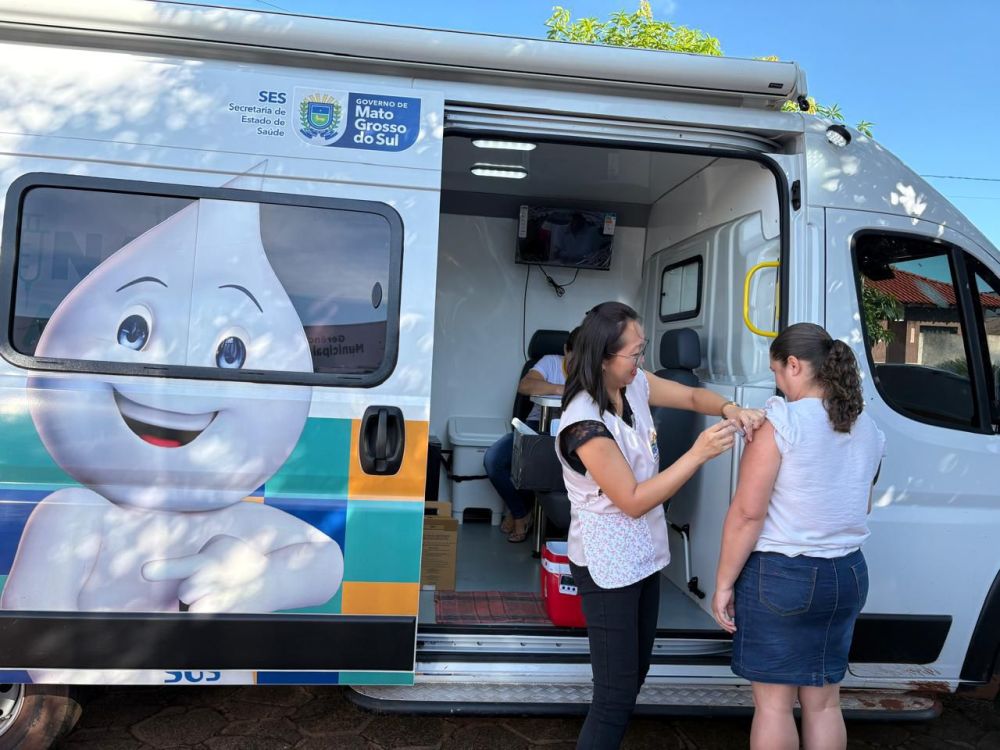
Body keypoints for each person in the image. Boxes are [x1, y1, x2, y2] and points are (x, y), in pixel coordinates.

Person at [555, 301, 764, 749]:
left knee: (634, 676)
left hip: (643, 555)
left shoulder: (631, 386)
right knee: (613, 696)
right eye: (635, 354)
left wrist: (731, 409)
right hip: (606, 564)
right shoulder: (583, 425)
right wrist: (698, 453)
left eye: (642, 351)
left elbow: (690, 397)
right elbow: (631, 500)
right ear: (604, 358)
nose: (641, 362)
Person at [711, 323, 885, 750]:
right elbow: (860, 506)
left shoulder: (782, 422)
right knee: (825, 702)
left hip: (783, 578)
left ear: (794, 365)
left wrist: (723, 584)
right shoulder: (867, 428)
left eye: (776, 371)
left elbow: (747, 514)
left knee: (773, 705)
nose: (776, 383)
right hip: (847, 575)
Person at [484, 327, 579, 543]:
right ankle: (521, 513)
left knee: (543, 466)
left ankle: (521, 514)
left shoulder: (594, 371)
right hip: (537, 425)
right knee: (494, 460)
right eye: (575, 355)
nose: (579, 362)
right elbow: (525, 385)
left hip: (571, 431)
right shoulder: (551, 362)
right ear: (566, 350)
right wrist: (560, 389)